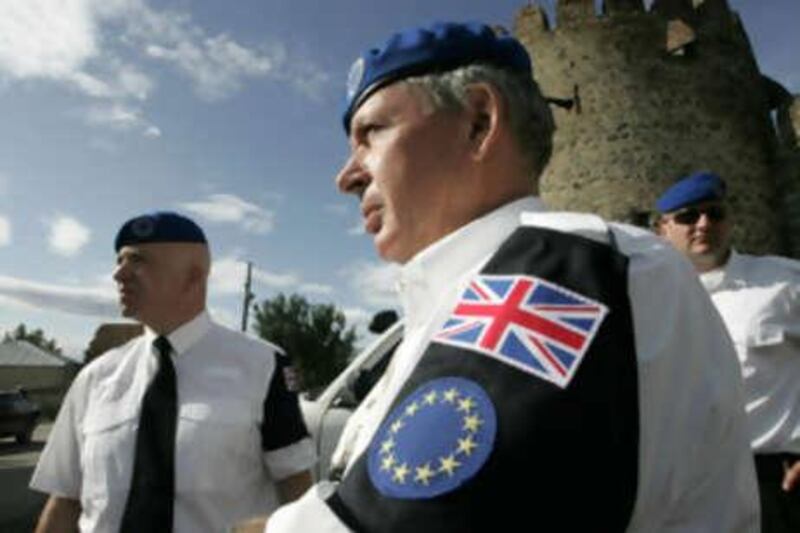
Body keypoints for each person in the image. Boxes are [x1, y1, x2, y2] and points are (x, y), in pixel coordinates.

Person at [265, 22, 759, 532]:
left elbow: (408, 520)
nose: (346, 176)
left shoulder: (568, 270)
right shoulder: (468, 293)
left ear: (479, 122)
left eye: (371, 134)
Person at [30, 211, 316, 533]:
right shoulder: (96, 377)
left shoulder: (263, 366)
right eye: (119, 260)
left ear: (194, 276)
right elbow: (67, 500)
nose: (118, 274)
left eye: (137, 260)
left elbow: (297, 493)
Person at [656, 171, 800, 532]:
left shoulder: (783, 282)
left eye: (715, 213)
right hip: (689, 492)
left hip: (777, 483)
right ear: (663, 228)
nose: (704, 224)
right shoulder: (649, 301)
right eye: (689, 216)